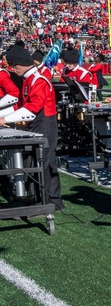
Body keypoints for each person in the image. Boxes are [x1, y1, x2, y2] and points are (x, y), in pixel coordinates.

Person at [0, 44, 63, 210]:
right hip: (35, 124)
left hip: (45, 124)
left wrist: (4, 118)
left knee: (47, 162)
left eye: (13, 67)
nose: (13, 71)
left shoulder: (39, 80)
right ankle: (35, 197)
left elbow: (31, 109)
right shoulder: (28, 80)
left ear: (18, 65)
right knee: (34, 161)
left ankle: (53, 201)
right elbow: (21, 106)